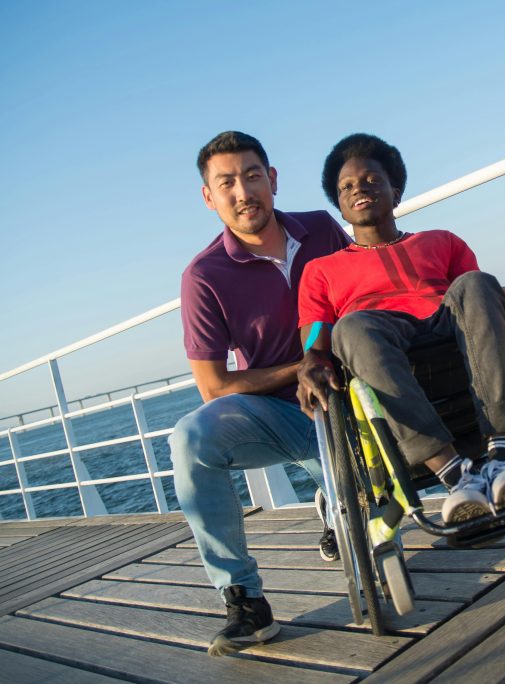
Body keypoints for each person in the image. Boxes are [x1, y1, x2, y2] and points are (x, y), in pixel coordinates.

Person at [296, 133, 505, 528]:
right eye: (346, 187)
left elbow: (484, 297)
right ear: (340, 205)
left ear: (396, 192)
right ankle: (455, 474)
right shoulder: (320, 271)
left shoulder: (442, 241)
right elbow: (315, 338)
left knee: (476, 281)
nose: (359, 189)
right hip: (379, 339)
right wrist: (310, 358)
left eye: (372, 180)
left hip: (449, 328)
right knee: (351, 326)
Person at [169, 131, 348, 656]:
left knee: (379, 540)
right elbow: (214, 386)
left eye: (252, 176)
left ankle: (337, 503)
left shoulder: (322, 229)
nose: (243, 192)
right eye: (226, 183)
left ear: (272, 179)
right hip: (281, 415)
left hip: (353, 404)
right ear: (209, 197)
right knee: (190, 439)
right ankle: (244, 598)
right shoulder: (203, 276)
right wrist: (303, 367)